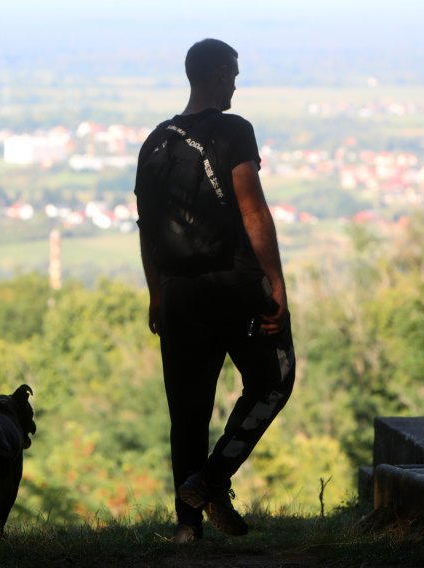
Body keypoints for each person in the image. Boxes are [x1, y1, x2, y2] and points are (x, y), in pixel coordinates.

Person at [135, 39, 295, 542]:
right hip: (235, 286)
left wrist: (157, 293)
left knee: (187, 410)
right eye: (233, 75)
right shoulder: (233, 131)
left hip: (179, 294)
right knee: (275, 379)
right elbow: (253, 211)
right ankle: (209, 480)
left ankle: (187, 528)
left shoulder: (155, 142)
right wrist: (276, 281)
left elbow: (146, 227)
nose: (235, 85)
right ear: (219, 73)